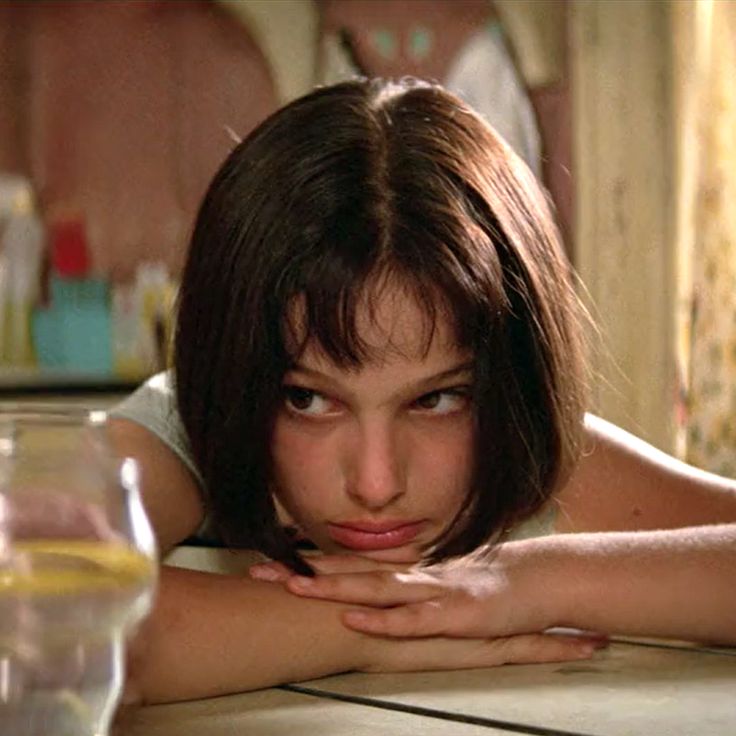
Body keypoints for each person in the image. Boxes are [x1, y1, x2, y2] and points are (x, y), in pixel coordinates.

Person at [108, 78, 736, 705]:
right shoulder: (184, 429)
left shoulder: (525, 453)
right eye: (308, 400)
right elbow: (21, 607)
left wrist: (523, 582)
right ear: (232, 376)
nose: (376, 485)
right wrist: (391, 626)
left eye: (436, 400)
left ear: (513, 384)